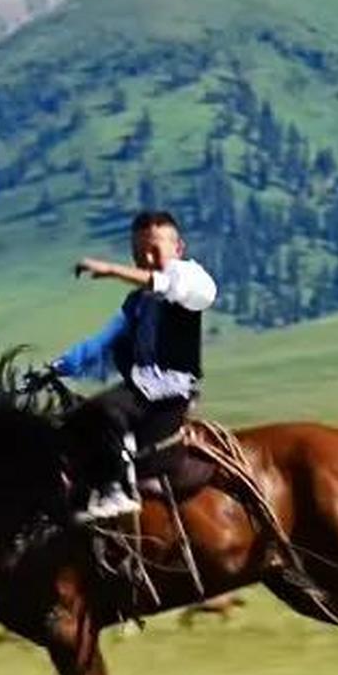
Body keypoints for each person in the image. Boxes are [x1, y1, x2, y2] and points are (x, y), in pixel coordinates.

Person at [38, 210, 218, 522]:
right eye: (138, 253)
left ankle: (119, 490)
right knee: (73, 420)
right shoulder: (137, 303)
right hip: (140, 389)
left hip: (169, 392)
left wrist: (110, 269)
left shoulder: (193, 282)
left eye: (154, 250)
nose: (146, 258)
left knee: (106, 410)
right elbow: (103, 341)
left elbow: (176, 286)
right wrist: (57, 367)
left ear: (179, 248)